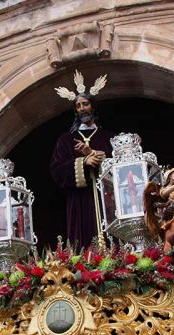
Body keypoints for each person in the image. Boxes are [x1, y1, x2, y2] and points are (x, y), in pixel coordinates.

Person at [51, 70, 115, 248]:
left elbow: (119, 165)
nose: (82, 109)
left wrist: (95, 155)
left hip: (106, 196)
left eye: (85, 104)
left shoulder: (108, 137)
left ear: (93, 106)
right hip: (79, 199)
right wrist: (83, 162)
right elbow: (57, 170)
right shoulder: (65, 140)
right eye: (78, 106)